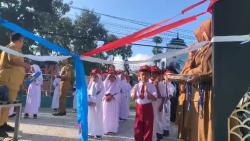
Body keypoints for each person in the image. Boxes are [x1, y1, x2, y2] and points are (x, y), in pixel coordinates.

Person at [0, 33, 30, 137]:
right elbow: (13, 61)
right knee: (5, 104)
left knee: (7, 104)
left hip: (12, 80)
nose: (23, 43)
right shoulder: (13, 47)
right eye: (22, 41)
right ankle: (0, 126)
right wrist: (25, 65)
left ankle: (3, 124)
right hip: (9, 79)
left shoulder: (14, 48)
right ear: (18, 40)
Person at [131, 65, 157, 141]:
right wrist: (135, 92)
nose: (144, 76)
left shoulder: (152, 86)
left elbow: (154, 98)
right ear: (139, 75)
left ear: (149, 76)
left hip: (148, 108)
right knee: (137, 128)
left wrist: (148, 91)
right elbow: (133, 98)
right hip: (139, 108)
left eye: (146, 74)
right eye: (142, 74)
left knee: (148, 128)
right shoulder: (136, 85)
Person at [149, 66, 166, 141]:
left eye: (156, 73)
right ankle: (152, 133)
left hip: (158, 102)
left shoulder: (161, 83)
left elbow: (163, 96)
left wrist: (162, 105)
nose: (154, 75)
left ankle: (158, 133)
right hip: (150, 102)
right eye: (152, 73)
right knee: (152, 118)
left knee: (158, 118)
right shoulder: (148, 82)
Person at [88, 69, 105, 139]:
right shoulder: (91, 84)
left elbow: (101, 94)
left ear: (99, 77)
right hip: (90, 104)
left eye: (96, 77)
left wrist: (94, 101)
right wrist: (88, 100)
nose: (94, 78)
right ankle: (91, 132)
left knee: (97, 118)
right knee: (91, 117)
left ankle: (98, 133)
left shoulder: (101, 85)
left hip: (97, 104)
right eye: (93, 76)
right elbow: (88, 92)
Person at [103, 70, 120, 135]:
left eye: (113, 77)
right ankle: (106, 129)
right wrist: (106, 97)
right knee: (106, 115)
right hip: (106, 102)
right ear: (108, 77)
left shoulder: (117, 85)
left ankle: (113, 129)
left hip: (113, 102)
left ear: (115, 78)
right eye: (110, 77)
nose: (111, 78)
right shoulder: (104, 84)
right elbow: (102, 92)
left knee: (113, 116)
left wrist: (112, 97)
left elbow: (118, 94)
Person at [162, 69, 175, 137]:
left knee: (166, 116)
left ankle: (166, 130)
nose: (169, 77)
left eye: (171, 75)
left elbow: (170, 95)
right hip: (160, 102)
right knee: (160, 116)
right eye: (168, 75)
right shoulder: (161, 83)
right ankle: (160, 130)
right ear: (164, 76)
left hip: (166, 102)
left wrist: (165, 99)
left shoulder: (171, 86)